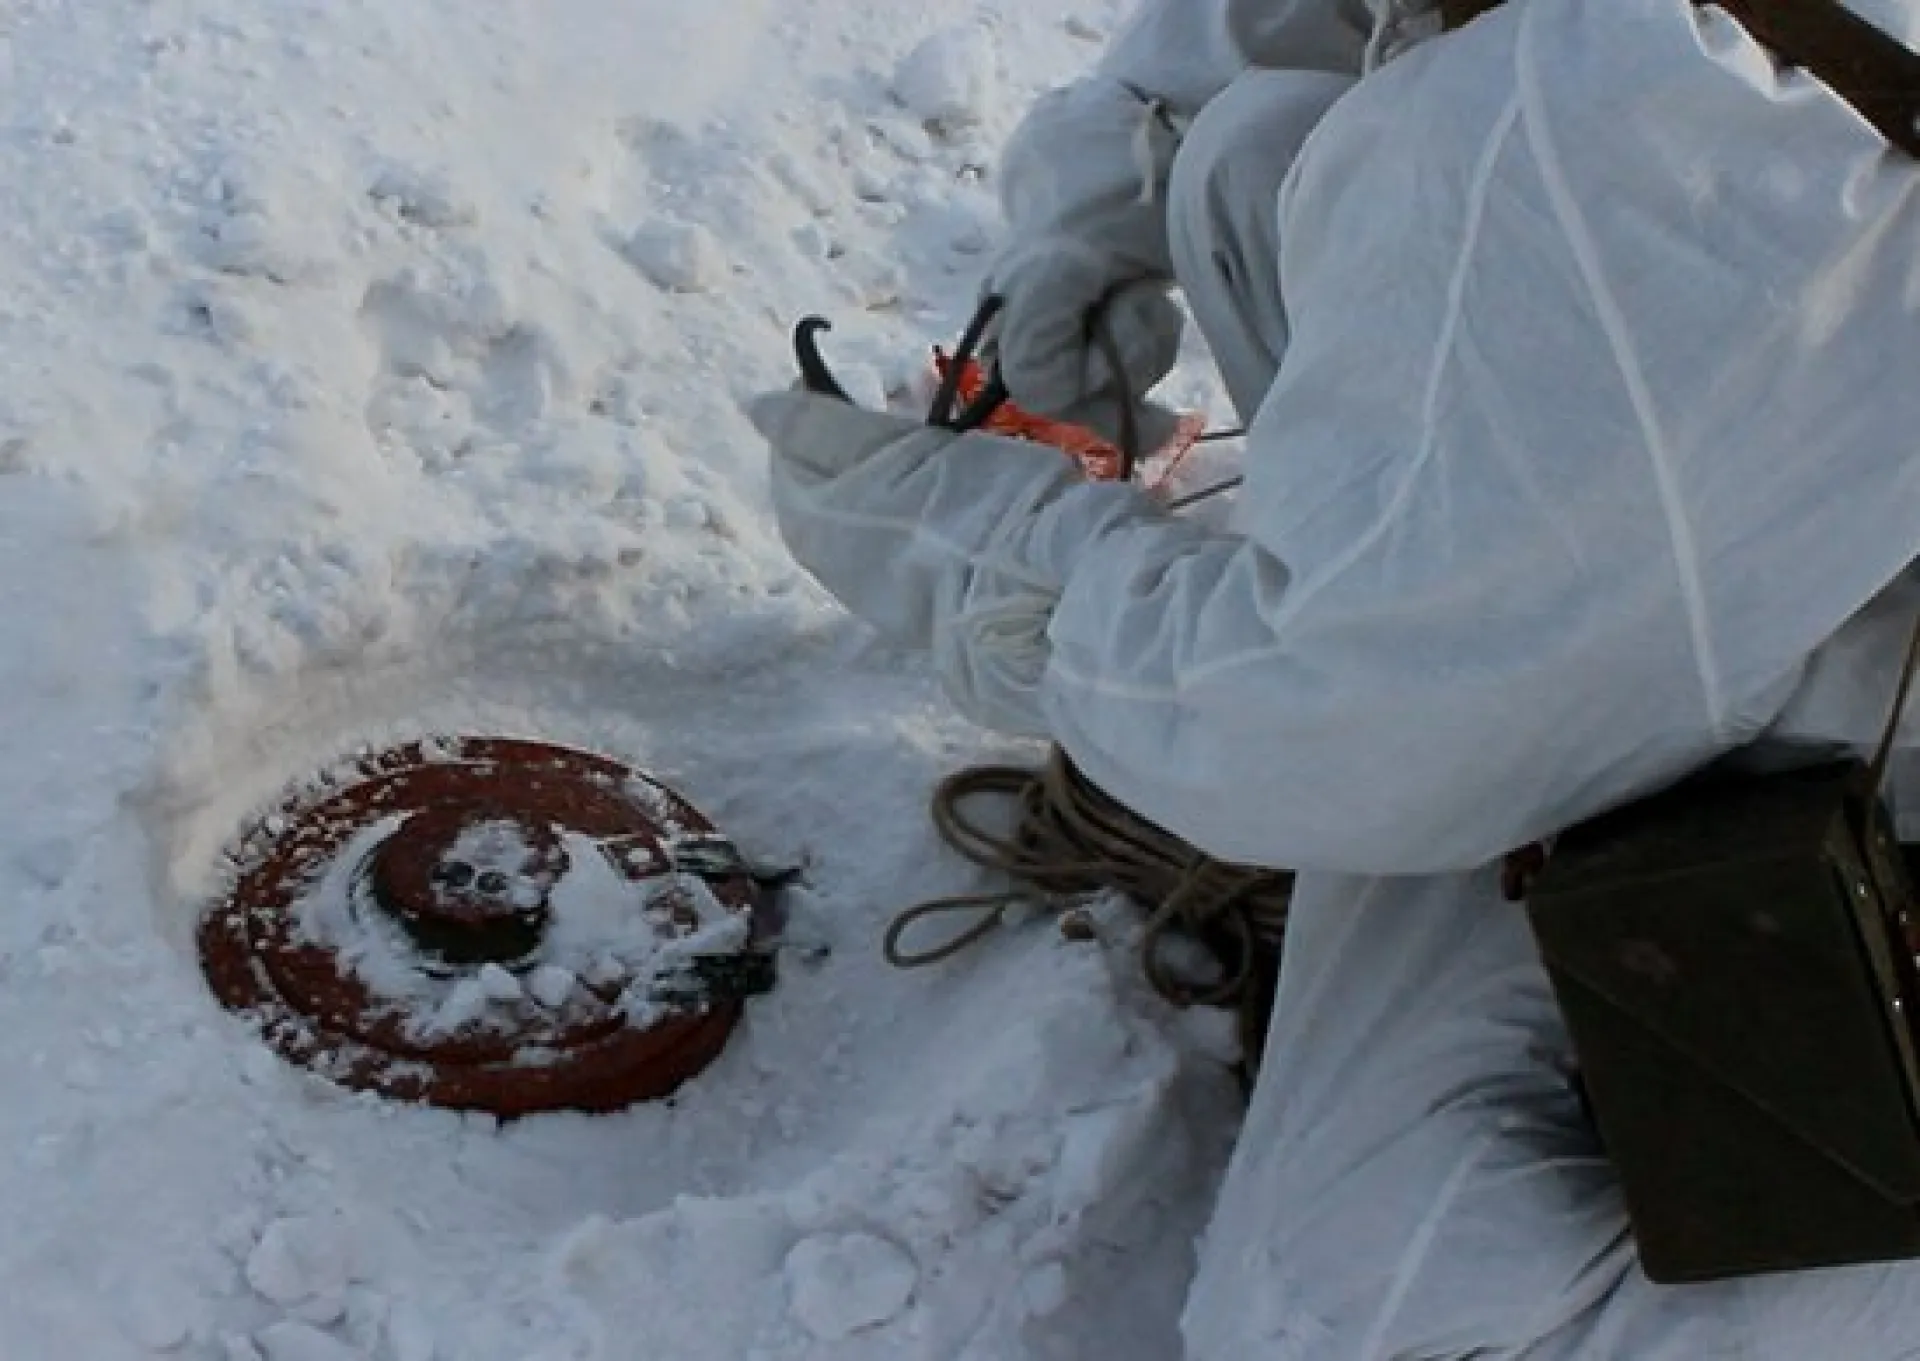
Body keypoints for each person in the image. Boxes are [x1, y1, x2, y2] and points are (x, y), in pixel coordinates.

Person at [746, 0, 1920, 1354]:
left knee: (1346, 1317)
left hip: (1819, 645)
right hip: (1798, 528)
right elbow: (1252, 35)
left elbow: (1315, 731)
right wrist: (1079, 242)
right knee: (1257, 153)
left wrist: (979, 555)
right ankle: (1520, 671)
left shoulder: (1611, 144)